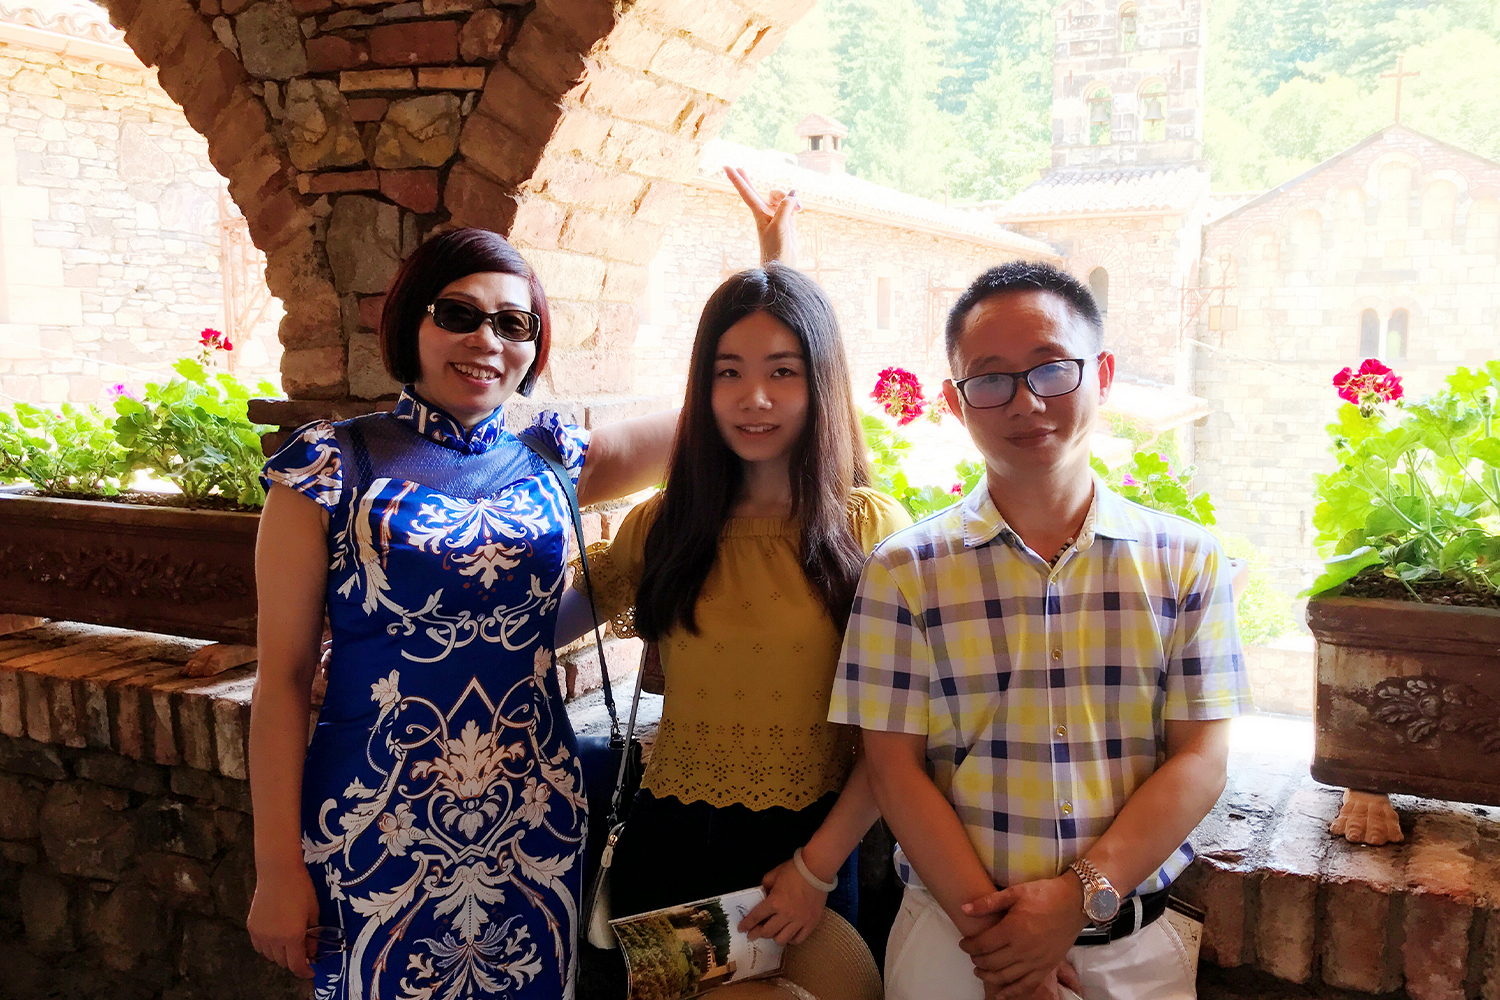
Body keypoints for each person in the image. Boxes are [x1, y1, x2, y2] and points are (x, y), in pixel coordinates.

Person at [245, 227, 680, 1000]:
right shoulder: (328, 466)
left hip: (537, 815)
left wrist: (770, 258)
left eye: (515, 324)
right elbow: (279, 684)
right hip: (374, 821)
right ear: (413, 320)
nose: (487, 339)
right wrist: (276, 870)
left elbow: (717, 416)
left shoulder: (554, 461)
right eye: (460, 313)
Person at [829, 261, 1251, 1000]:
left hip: (1133, 951)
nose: (1027, 401)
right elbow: (895, 769)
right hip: (950, 949)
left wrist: (1078, 895)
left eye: (1052, 369)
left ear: (1104, 373)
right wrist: (1003, 950)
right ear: (957, 404)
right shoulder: (904, 570)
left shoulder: (1187, 561)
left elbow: (1200, 758)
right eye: (991, 379)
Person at [554, 255, 912, 948]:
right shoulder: (664, 525)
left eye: (783, 371)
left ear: (820, 382)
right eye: (730, 372)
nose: (755, 397)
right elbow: (527, 631)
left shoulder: (868, 530)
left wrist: (816, 869)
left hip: (805, 857)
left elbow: (896, 732)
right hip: (667, 846)